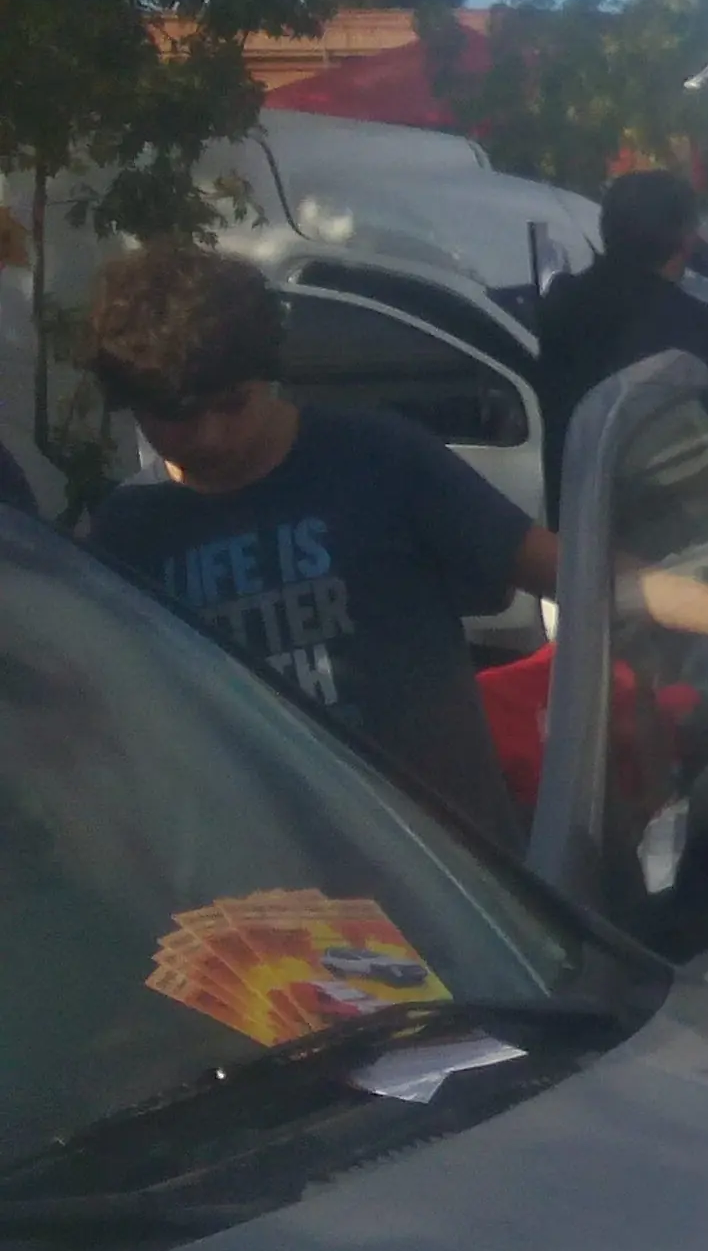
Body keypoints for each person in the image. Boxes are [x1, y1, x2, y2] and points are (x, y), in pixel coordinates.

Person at [80, 247, 557, 847]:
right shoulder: (128, 533)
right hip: (269, 901)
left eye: (232, 404)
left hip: (450, 885)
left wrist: (707, 604)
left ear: (267, 375)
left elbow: (567, 573)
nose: (211, 435)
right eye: (178, 415)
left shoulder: (378, 459)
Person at [530, 168, 708, 520]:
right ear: (683, 240)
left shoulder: (560, 305)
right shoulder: (692, 323)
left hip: (577, 524)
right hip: (660, 534)